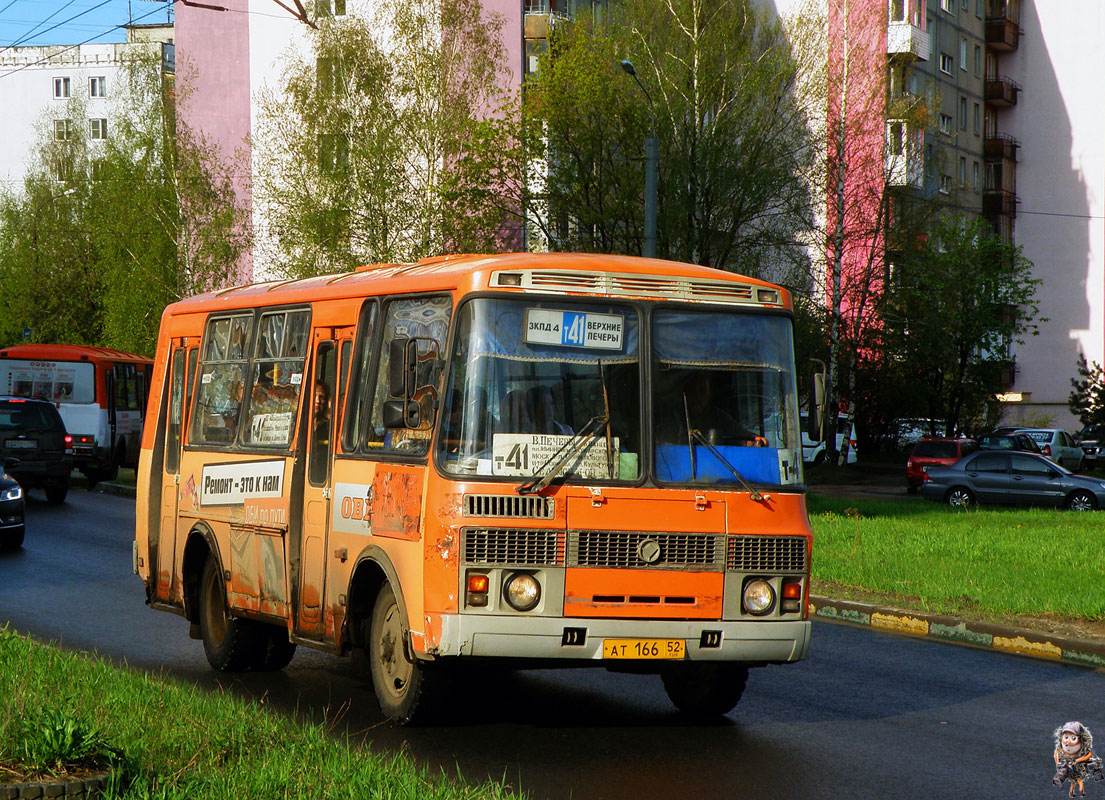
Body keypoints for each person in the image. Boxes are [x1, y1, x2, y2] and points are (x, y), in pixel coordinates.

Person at [660, 372, 759, 447]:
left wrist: (756, 441)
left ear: (709, 394)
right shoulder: (671, 418)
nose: (697, 397)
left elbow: (744, 437)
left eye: (702, 391)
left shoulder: (718, 417)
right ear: (684, 393)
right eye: (692, 391)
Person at [1053, 721, 1104, 798]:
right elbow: (1056, 753)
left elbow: (1089, 754)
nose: (1068, 742)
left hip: (1078, 768)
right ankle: (1072, 793)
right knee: (1074, 782)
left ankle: (1080, 792)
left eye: (1073, 738)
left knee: (1079, 781)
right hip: (1069, 766)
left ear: (1082, 740)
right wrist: (1058, 762)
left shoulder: (1084, 751)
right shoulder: (1060, 750)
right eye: (1066, 737)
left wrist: (1077, 761)